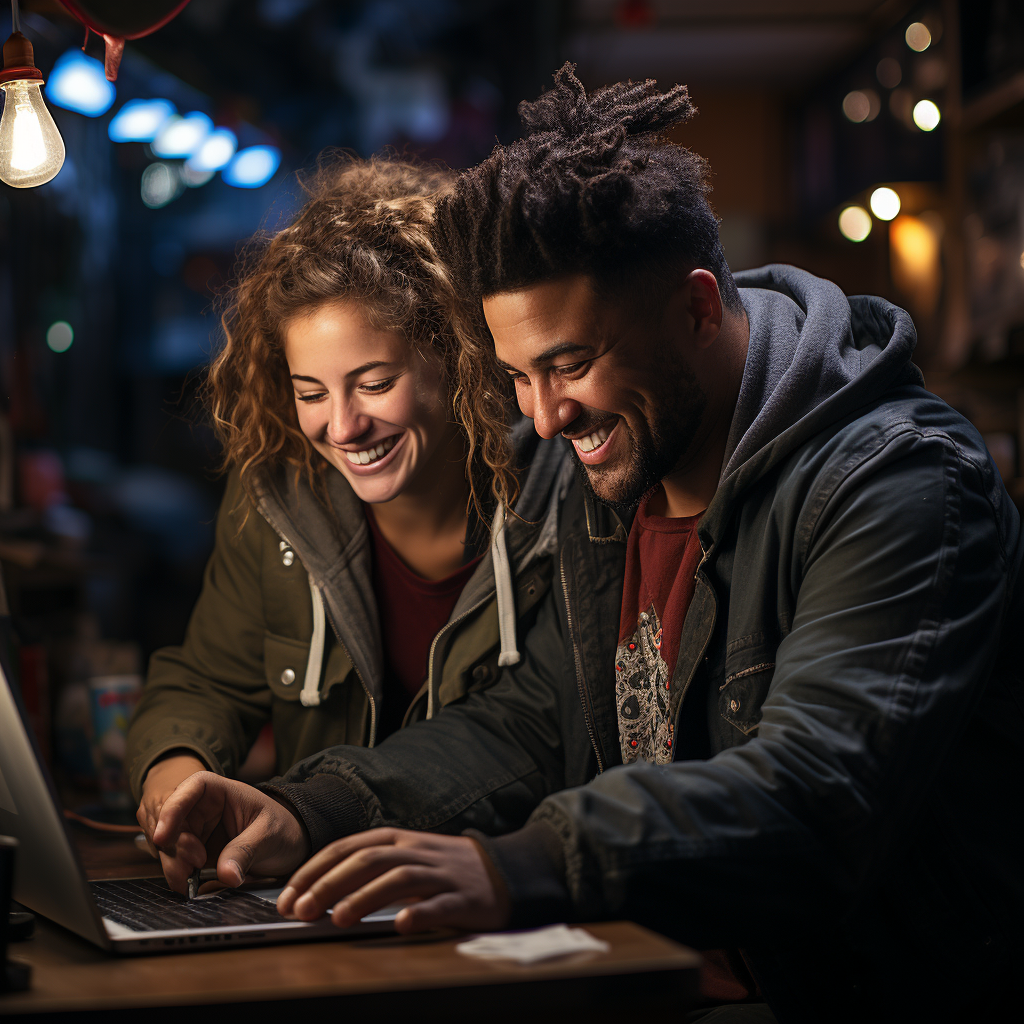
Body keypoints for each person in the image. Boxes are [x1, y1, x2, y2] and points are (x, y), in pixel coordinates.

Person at [151, 68, 1023, 1022]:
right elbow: (537, 718)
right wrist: (311, 808)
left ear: (697, 310)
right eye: (518, 375)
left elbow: (817, 790)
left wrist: (528, 864)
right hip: (657, 976)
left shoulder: (898, 484)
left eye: (569, 364)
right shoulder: (615, 465)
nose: (546, 416)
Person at [128, 155, 571, 875]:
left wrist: (313, 810)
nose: (342, 427)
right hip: (322, 900)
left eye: (373, 383)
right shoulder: (280, 490)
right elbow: (207, 680)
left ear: (457, 359)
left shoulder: (558, 491)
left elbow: (534, 734)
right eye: (311, 392)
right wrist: (174, 782)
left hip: (504, 904)